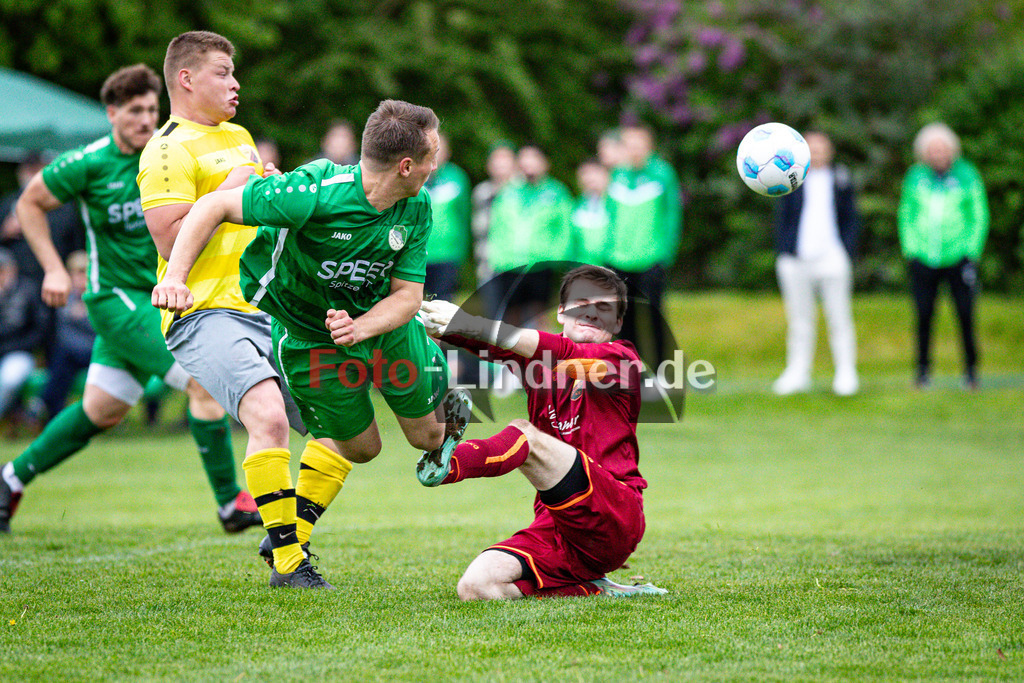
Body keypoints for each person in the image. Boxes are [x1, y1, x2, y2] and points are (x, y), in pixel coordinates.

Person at [152, 99, 468, 589]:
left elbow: (407, 296)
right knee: (361, 449)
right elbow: (212, 205)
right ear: (407, 165)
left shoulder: (416, 204)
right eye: (431, 156)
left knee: (429, 438)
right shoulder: (311, 193)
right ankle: (289, 533)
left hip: (385, 328)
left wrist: (363, 327)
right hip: (309, 338)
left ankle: (285, 543)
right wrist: (175, 277)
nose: (435, 165)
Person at [0, 63, 259, 536]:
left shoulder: (169, 153)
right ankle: (229, 504)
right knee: (204, 381)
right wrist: (55, 268)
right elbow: (28, 203)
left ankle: (9, 479)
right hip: (117, 299)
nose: (146, 120)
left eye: (152, 109)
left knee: (102, 409)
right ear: (111, 112)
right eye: (135, 111)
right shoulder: (89, 162)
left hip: (164, 297)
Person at [416, 265, 667, 599]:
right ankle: (596, 588)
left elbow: (564, 355)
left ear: (618, 323)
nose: (591, 313)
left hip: (613, 516)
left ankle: (447, 464)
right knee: (476, 587)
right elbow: (486, 343)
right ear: (561, 312)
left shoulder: (621, 360)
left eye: (604, 308)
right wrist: (420, 314)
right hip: (555, 526)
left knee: (526, 435)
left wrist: (471, 323)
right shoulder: (538, 359)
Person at [898, 123, 989, 390]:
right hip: (924, 257)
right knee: (924, 315)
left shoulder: (967, 175)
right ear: (924, 152)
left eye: (942, 148)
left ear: (952, 150)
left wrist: (971, 252)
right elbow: (907, 214)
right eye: (932, 149)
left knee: (965, 314)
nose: (938, 153)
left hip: (958, 257)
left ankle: (971, 371)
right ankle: (923, 370)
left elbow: (978, 215)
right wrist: (911, 249)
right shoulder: (916, 176)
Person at [772, 131, 860, 396]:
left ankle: (846, 373)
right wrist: (784, 250)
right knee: (800, 320)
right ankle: (797, 373)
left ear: (830, 151)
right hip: (795, 258)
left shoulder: (841, 179)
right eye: (811, 148)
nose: (817, 153)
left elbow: (851, 218)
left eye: (821, 148)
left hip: (832, 257)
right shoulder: (789, 180)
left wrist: (847, 250)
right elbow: (782, 218)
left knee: (839, 317)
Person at [605, 125, 681, 369]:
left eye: (639, 144)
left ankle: (660, 370)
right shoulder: (617, 175)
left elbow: (672, 214)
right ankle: (630, 373)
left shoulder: (663, 173)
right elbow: (609, 215)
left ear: (649, 146)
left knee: (655, 318)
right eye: (629, 144)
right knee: (623, 322)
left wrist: (666, 253)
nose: (634, 150)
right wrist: (606, 251)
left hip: (652, 258)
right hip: (618, 259)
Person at [486, 144, 573, 328]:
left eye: (534, 158)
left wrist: (557, 257)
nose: (529, 164)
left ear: (545, 163)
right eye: (524, 159)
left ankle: (541, 355)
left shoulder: (557, 192)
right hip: (509, 264)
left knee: (540, 316)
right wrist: (496, 257)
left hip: (541, 265)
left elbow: (565, 228)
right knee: (511, 318)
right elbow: (497, 227)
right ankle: (513, 356)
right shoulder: (508, 191)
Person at [31, 251, 95, 422]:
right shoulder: (64, 297)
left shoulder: (99, 297)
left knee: (64, 357)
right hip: (71, 355)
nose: (81, 279)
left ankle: (42, 402)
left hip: (94, 353)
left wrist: (85, 317)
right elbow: (65, 334)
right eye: (77, 274)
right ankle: (55, 416)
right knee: (63, 360)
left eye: (85, 273)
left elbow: (102, 330)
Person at [471, 142, 517, 318]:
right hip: (488, 263)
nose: (500, 165)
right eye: (496, 160)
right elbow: (479, 231)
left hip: (516, 266)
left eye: (504, 159)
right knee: (494, 319)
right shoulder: (481, 192)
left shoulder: (523, 192)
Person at [424, 132, 471, 301]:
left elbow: (464, 216)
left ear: (448, 151)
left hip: (447, 254)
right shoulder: (413, 177)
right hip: (417, 253)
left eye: (439, 149)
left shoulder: (458, 177)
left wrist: (462, 251)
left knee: (441, 303)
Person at [0, 248, 45, 424]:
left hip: (20, 352)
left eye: (2, 270)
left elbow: (40, 331)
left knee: (9, 379)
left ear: (12, 270)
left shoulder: (29, 291)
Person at [570, 158, 612, 265]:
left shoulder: (617, 204)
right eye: (584, 173)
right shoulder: (576, 206)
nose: (589, 178)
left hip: (615, 270)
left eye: (595, 172)